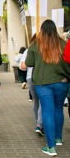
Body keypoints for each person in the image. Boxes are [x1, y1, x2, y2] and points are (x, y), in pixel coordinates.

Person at [23, 20, 70, 156]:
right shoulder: (62, 43)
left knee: (47, 111)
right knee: (58, 109)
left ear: (42, 30)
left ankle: (51, 147)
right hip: (62, 81)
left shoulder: (36, 44)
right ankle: (58, 138)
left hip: (42, 83)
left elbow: (29, 63)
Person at [20, 34, 44, 136]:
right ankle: (40, 124)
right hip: (41, 78)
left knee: (36, 101)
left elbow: (22, 66)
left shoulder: (27, 51)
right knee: (43, 102)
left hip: (30, 78)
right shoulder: (43, 50)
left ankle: (37, 122)